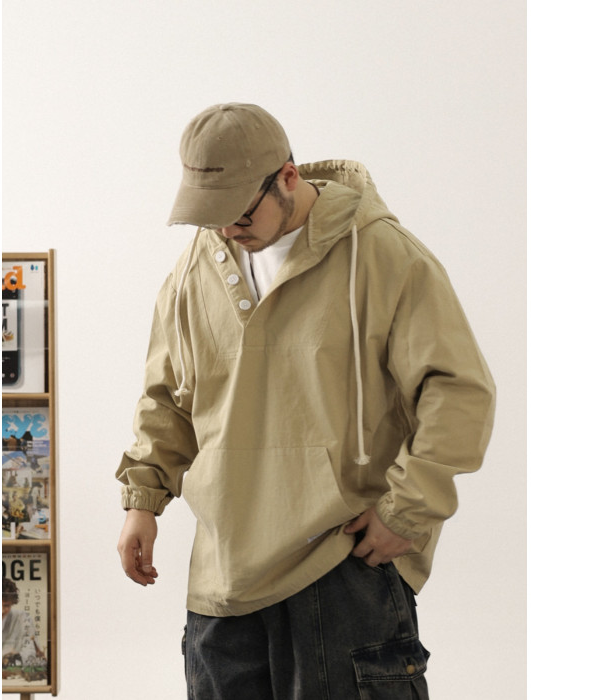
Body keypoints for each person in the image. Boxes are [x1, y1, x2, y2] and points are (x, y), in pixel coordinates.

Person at [117, 103, 495, 699]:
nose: (226, 231)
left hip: (342, 564)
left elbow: (457, 387)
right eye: (211, 216)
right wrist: (143, 500)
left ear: (288, 178)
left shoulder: (384, 255)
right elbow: (167, 396)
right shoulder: (195, 268)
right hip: (222, 578)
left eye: (240, 212)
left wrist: (409, 509)